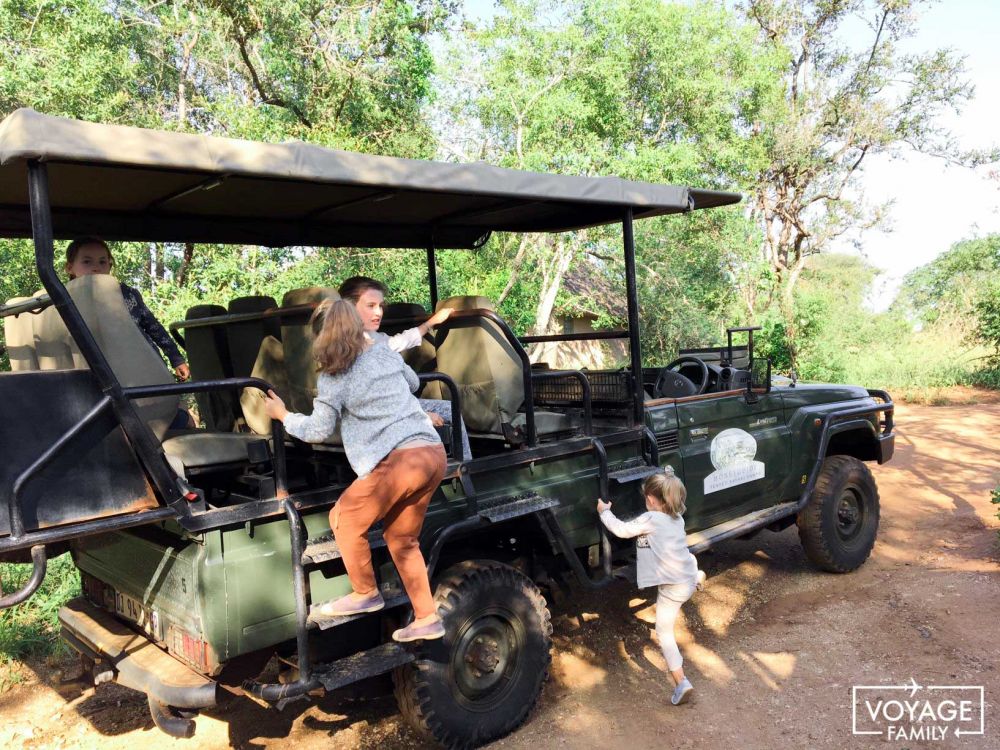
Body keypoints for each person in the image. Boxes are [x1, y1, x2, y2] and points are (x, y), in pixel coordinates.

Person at [263, 299, 447, 642]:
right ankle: (427, 617)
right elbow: (412, 383)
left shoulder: (335, 375)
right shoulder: (383, 351)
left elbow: (318, 430)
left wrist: (283, 416)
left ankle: (365, 594)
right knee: (401, 538)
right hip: (432, 453)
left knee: (343, 519)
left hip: (400, 462)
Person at [597, 468, 707, 705]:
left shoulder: (651, 519)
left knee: (664, 632)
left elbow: (622, 530)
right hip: (686, 577)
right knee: (688, 564)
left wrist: (604, 512)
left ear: (650, 498)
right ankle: (698, 576)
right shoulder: (677, 518)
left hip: (673, 587)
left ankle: (681, 682)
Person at [337, 276, 472, 461]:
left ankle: (461, 465)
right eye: (370, 306)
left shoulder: (369, 339)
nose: (378, 312)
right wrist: (420, 415)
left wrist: (430, 323)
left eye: (380, 306)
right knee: (447, 410)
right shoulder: (351, 347)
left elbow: (398, 341)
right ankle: (463, 467)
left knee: (449, 408)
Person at [65, 237, 193, 428]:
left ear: (110, 264)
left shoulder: (127, 294)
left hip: (144, 371)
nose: (96, 267)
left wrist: (176, 358)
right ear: (70, 268)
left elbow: (153, 327)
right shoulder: (65, 302)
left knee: (183, 419)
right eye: (87, 262)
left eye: (102, 262)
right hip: (104, 379)